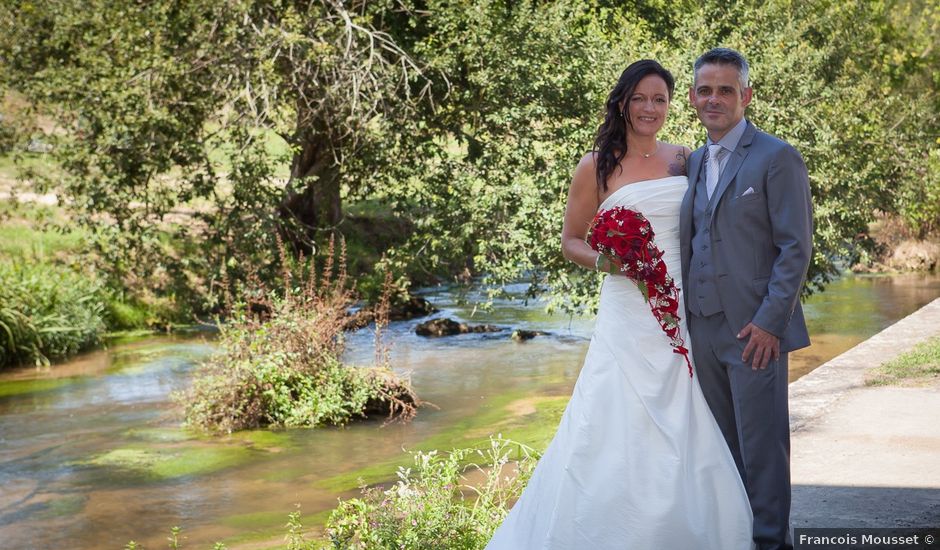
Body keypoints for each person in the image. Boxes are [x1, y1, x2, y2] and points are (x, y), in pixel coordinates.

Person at [486, 59, 754, 549]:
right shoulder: (597, 164)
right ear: (623, 103)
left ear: (674, 105)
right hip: (626, 307)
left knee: (684, 411)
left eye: (660, 100)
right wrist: (609, 264)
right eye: (640, 99)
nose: (650, 108)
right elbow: (571, 240)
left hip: (681, 306)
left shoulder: (685, 159)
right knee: (614, 413)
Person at [680, 48, 813, 550]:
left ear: (746, 96)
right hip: (703, 328)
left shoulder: (776, 156)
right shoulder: (692, 162)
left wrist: (770, 324)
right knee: (721, 449)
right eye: (705, 90)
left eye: (726, 90)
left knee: (762, 449)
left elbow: (794, 248)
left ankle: (772, 543)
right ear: (694, 97)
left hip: (754, 331)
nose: (714, 99)